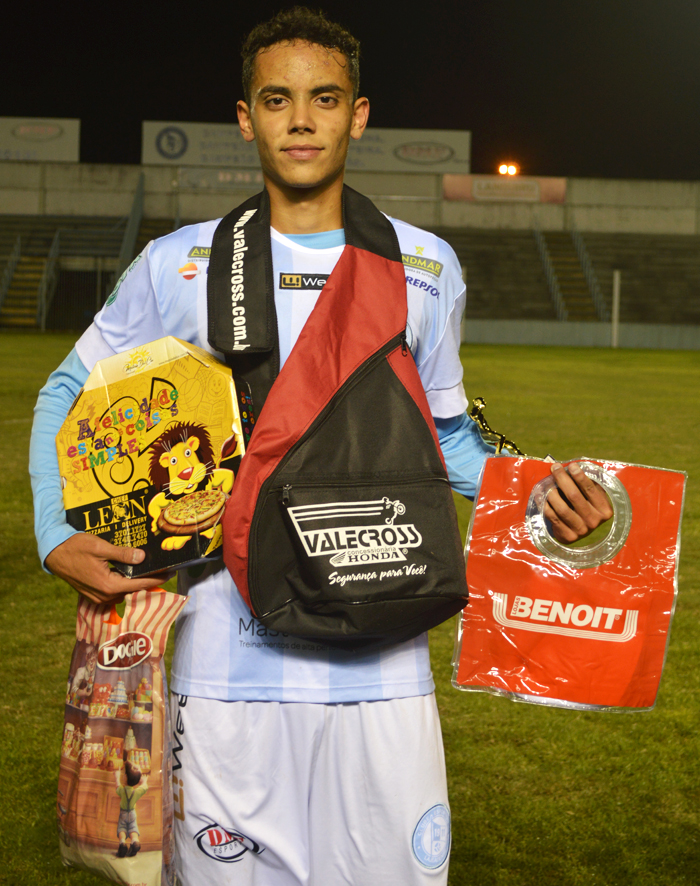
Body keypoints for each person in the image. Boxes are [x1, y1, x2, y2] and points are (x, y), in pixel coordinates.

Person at [30, 8, 612, 884]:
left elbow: (442, 436)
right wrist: (52, 530)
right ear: (245, 116)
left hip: (382, 668)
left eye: (324, 98)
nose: (301, 119)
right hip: (224, 669)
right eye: (278, 99)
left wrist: (538, 494)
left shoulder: (424, 265)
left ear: (359, 114)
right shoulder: (178, 263)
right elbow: (67, 392)